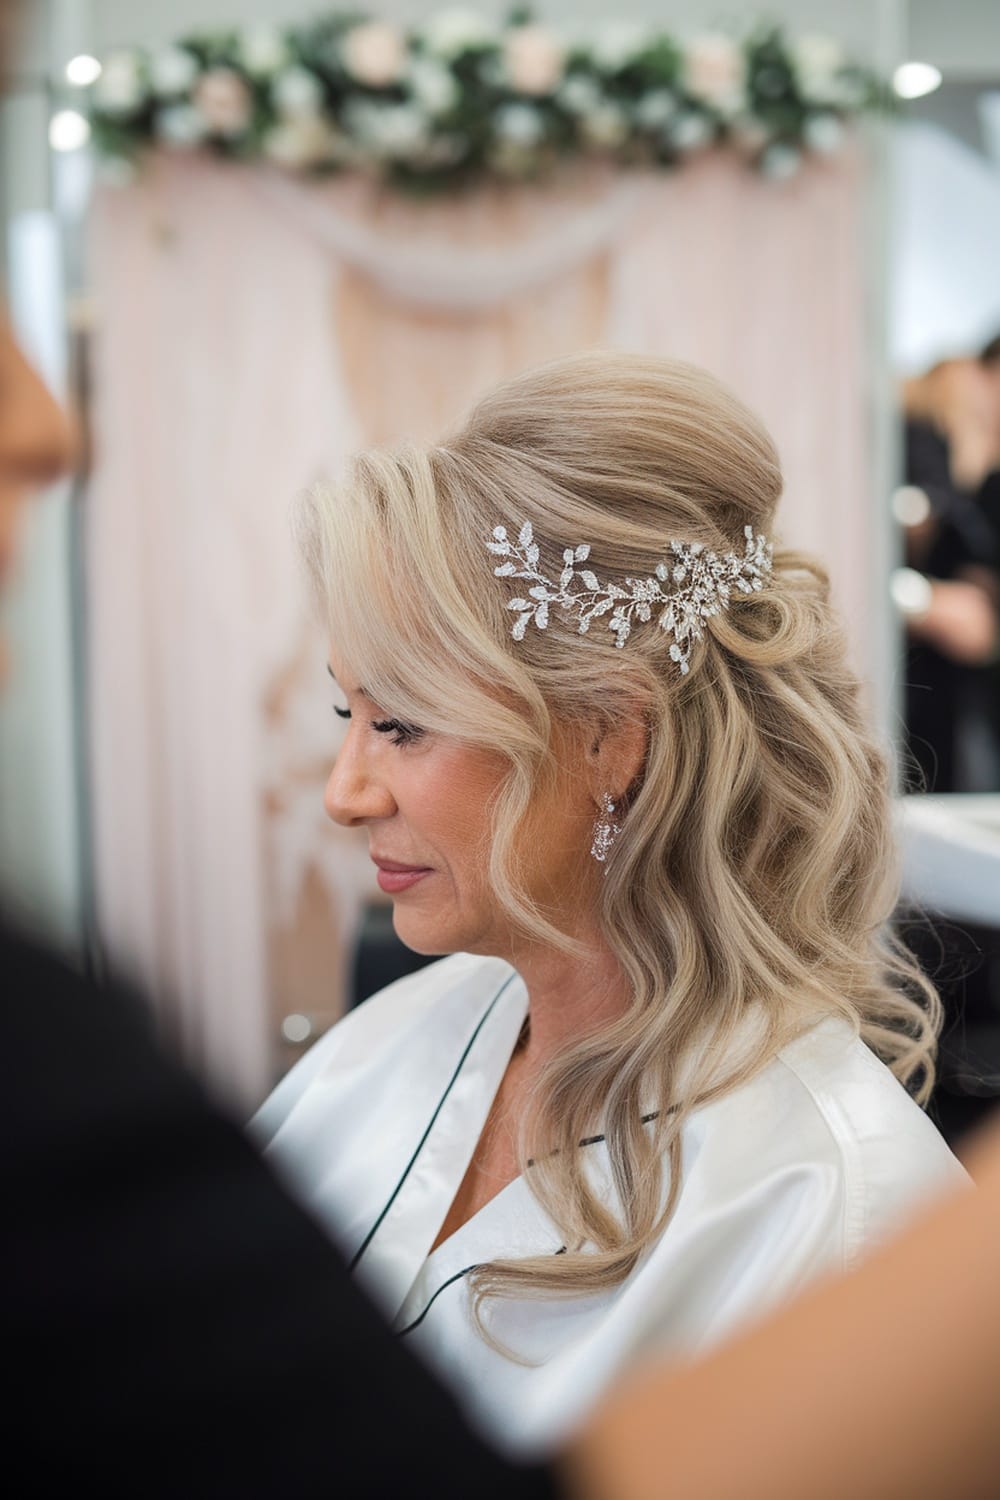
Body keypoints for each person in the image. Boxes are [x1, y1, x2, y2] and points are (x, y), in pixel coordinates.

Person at [253, 352, 963, 1457]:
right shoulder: (381, 1046)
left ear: (605, 738)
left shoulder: (843, 1208)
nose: (344, 794)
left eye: (400, 726)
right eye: (349, 713)